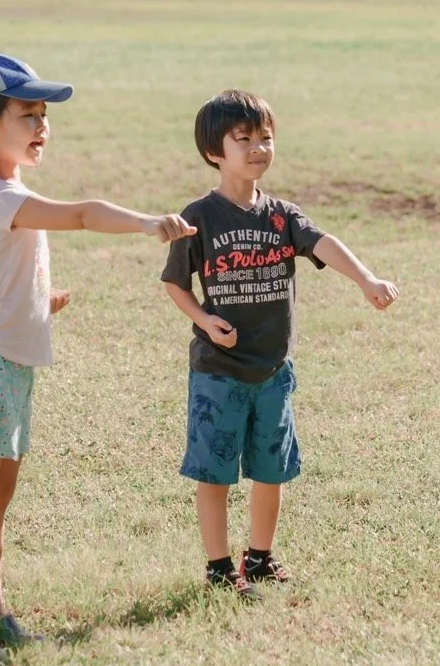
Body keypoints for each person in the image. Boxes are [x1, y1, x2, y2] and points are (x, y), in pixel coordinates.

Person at [0, 54, 195, 666]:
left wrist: (38, 299)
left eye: (44, 115)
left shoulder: (9, 193)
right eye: (28, 114)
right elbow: (80, 213)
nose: (42, 125)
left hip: (11, 364)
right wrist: (147, 223)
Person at [161, 90, 398, 598]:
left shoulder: (282, 215)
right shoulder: (199, 215)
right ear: (213, 152)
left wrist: (366, 279)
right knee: (215, 471)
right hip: (218, 369)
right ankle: (220, 567)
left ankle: (261, 558)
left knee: (272, 469)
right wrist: (204, 320)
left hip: (272, 369)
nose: (257, 149)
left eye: (265, 138)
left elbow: (324, 243)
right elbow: (175, 284)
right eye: (242, 139)